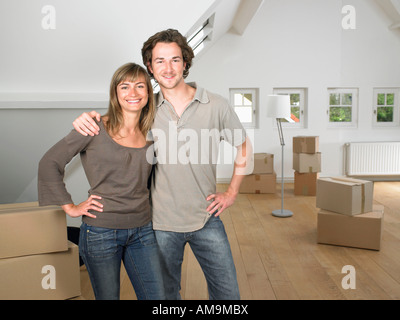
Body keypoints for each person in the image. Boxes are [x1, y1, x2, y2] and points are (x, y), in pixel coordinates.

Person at [72, 29, 252, 300]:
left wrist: (232, 192)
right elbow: (112, 122)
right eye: (160, 61)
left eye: (175, 60)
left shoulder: (216, 104)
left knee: (228, 295)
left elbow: (243, 145)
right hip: (159, 224)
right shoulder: (144, 109)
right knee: (166, 298)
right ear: (150, 67)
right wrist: (85, 118)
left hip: (206, 217)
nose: (168, 68)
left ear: (185, 63)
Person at [38, 63, 165, 300]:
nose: (133, 93)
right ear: (115, 94)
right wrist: (70, 207)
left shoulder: (153, 132)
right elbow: (49, 163)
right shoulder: (93, 127)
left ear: (148, 93)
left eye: (140, 86)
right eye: (124, 87)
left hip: (143, 230)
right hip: (101, 233)